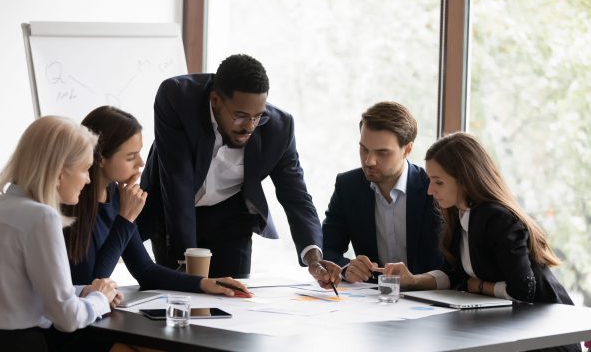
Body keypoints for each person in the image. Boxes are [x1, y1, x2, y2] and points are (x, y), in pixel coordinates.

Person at [139, 54, 340, 286]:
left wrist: (314, 258)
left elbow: (296, 195)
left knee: (234, 298)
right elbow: (177, 182)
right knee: (179, 297)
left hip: (231, 219)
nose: (250, 126)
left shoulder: (280, 128)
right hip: (173, 213)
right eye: (240, 116)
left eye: (258, 116)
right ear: (215, 100)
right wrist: (190, 270)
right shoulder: (177, 98)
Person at [379, 132, 580, 352]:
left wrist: (480, 286)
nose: (430, 190)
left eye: (438, 182)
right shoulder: (460, 215)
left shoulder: (497, 219)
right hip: (514, 329)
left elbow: (524, 290)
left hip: (547, 339)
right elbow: (455, 274)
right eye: (430, 181)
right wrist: (413, 280)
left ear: (465, 181)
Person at [0, 116, 119, 351]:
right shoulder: (41, 217)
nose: (88, 179)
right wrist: (101, 299)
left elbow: (23, 291)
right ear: (60, 172)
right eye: (84, 169)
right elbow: (67, 318)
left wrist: (84, 291)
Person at [63, 106, 251, 298]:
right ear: (100, 158)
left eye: (139, 153)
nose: (141, 163)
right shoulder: (71, 202)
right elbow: (90, 286)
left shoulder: (117, 195)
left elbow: (145, 270)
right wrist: (126, 219)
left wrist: (205, 283)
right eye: (130, 157)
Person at [323, 101, 443, 283]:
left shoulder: (433, 188)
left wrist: (416, 281)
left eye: (382, 153)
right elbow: (326, 248)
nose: (369, 161)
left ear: (407, 150)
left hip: (427, 297)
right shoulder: (348, 186)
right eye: (364, 149)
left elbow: (450, 264)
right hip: (372, 299)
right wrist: (346, 268)